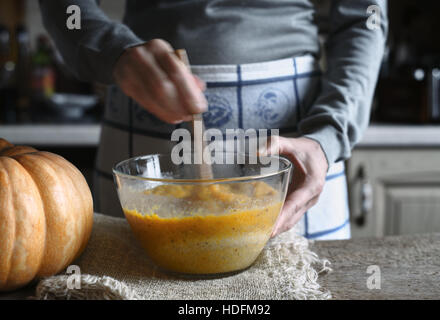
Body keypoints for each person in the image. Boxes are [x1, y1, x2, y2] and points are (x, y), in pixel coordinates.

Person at [39, 0, 387, 240]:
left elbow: (364, 16)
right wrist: (111, 49)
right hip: (142, 117)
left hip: (299, 143)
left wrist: (328, 134)